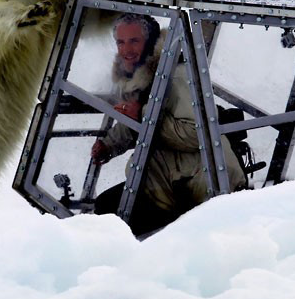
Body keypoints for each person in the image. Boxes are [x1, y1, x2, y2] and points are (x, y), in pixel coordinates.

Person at [91, 13, 246, 234]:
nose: (127, 50)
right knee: (107, 208)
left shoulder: (177, 75)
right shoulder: (144, 75)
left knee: (112, 217)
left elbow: (195, 134)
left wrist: (143, 116)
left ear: (152, 42)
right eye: (121, 42)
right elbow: (141, 119)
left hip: (200, 186)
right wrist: (109, 144)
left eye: (134, 41)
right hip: (168, 178)